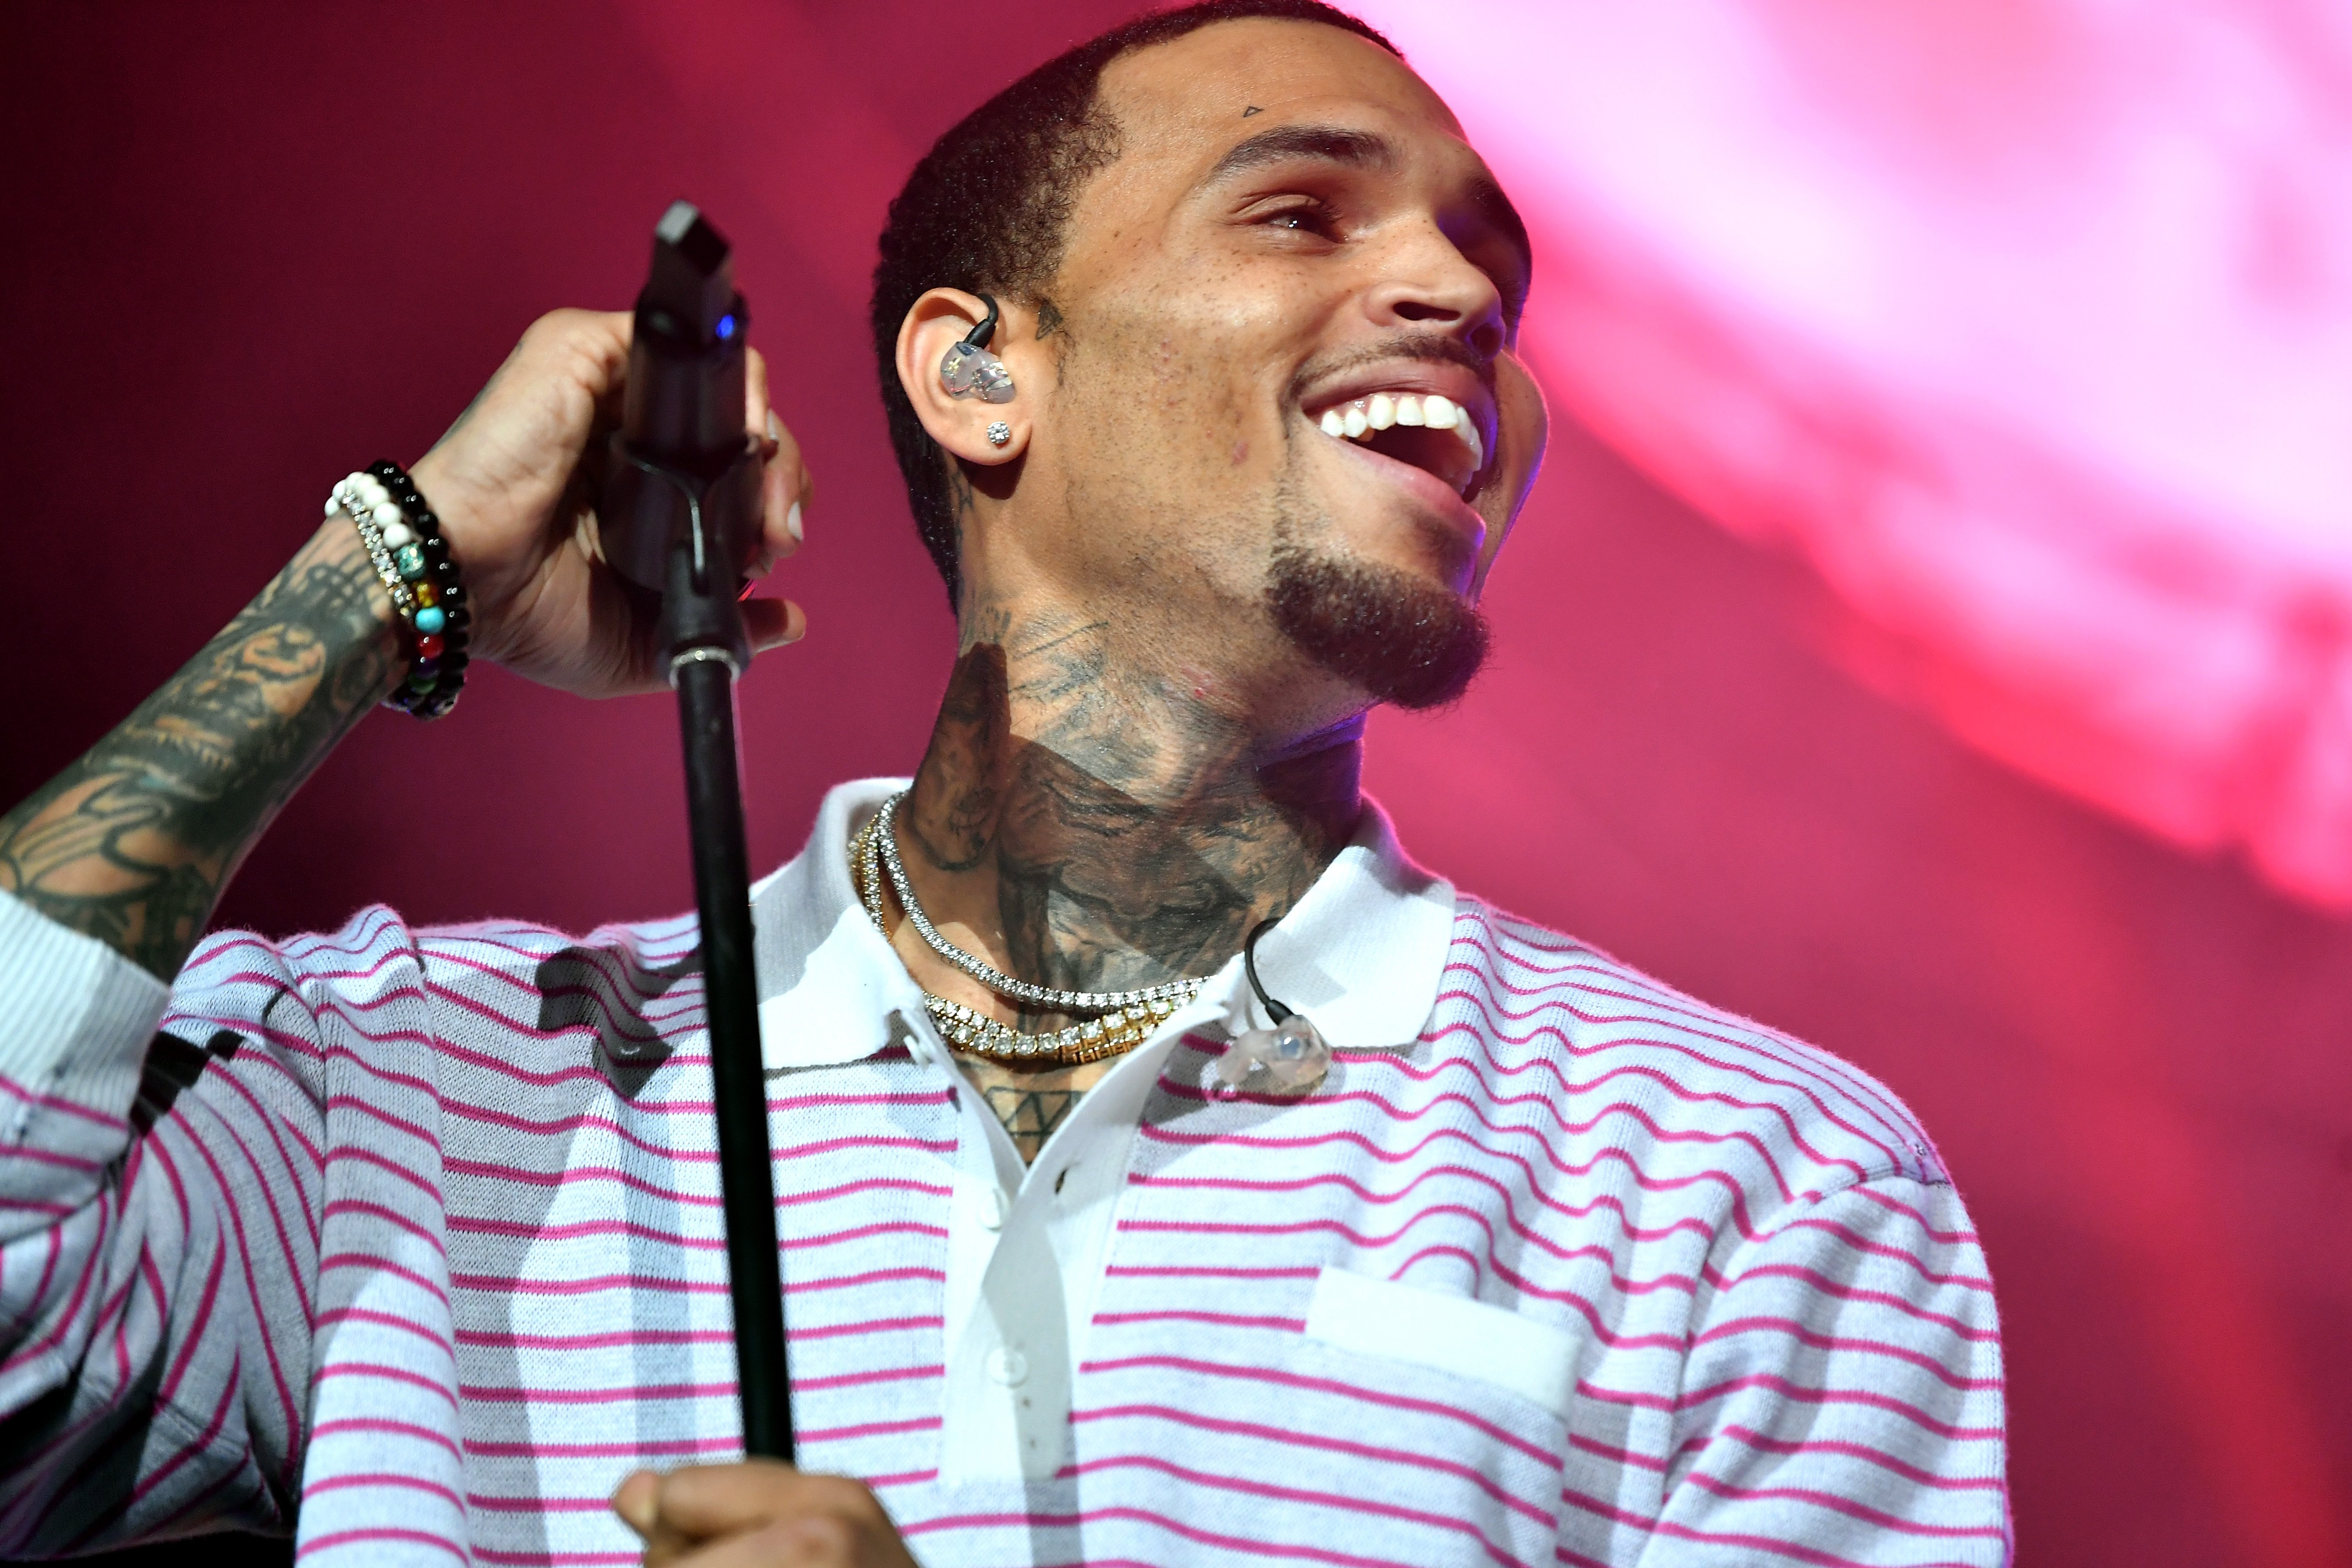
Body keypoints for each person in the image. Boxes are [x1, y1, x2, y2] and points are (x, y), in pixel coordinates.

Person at [0, 3, 2008, 1564]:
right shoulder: (436, 1085)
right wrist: (387, 565)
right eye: (1303, 210)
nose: (1471, 302)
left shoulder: (1737, 1185)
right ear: (982, 374)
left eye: (1498, 269)